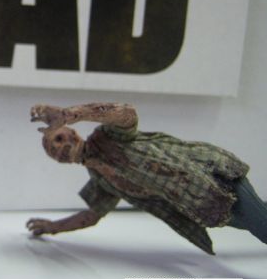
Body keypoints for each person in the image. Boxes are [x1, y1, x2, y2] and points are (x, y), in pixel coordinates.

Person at [27, 102, 267, 255]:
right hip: (202, 206)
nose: (58, 148)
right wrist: (52, 227)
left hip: (211, 175)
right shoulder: (99, 179)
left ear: (72, 132)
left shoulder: (107, 136)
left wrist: (71, 113)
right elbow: (91, 216)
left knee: (262, 225)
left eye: (58, 139)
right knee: (254, 221)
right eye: (51, 150)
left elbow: (126, 114)